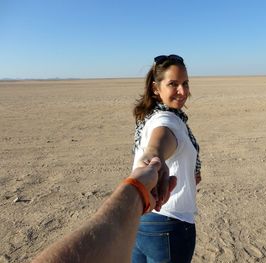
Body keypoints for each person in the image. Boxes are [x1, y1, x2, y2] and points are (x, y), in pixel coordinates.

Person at [32, 157, 176, 263]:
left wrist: (139, 188)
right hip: (167, 219)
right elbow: (157, 145)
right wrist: (138, 188)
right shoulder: (167, 118)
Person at [132, 54, 202, 263]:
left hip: (141, 220)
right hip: (170, 225)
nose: (182, 92)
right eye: (173, 84)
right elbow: (158, 143)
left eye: (185, 83)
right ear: (156, 88)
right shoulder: (166, 120)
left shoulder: (150, 118)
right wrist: (155, 158)